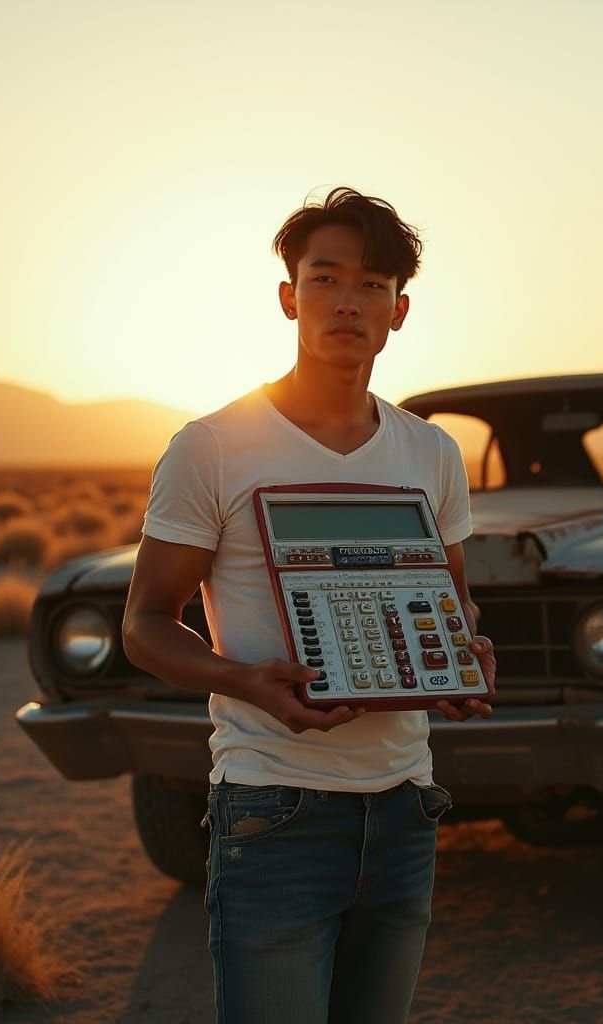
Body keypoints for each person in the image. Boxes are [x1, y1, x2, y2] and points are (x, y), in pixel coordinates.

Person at [122, 186, 495, 1024]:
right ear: (290, 297)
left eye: (371, 285)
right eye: (325, 279)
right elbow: (145, 624)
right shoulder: (212, 446)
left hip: (406, 803)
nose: (346, 302)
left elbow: (456, 604)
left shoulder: (431, 452)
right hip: (274, 806)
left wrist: (464, 655)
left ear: (399, 311)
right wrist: (246, 682)